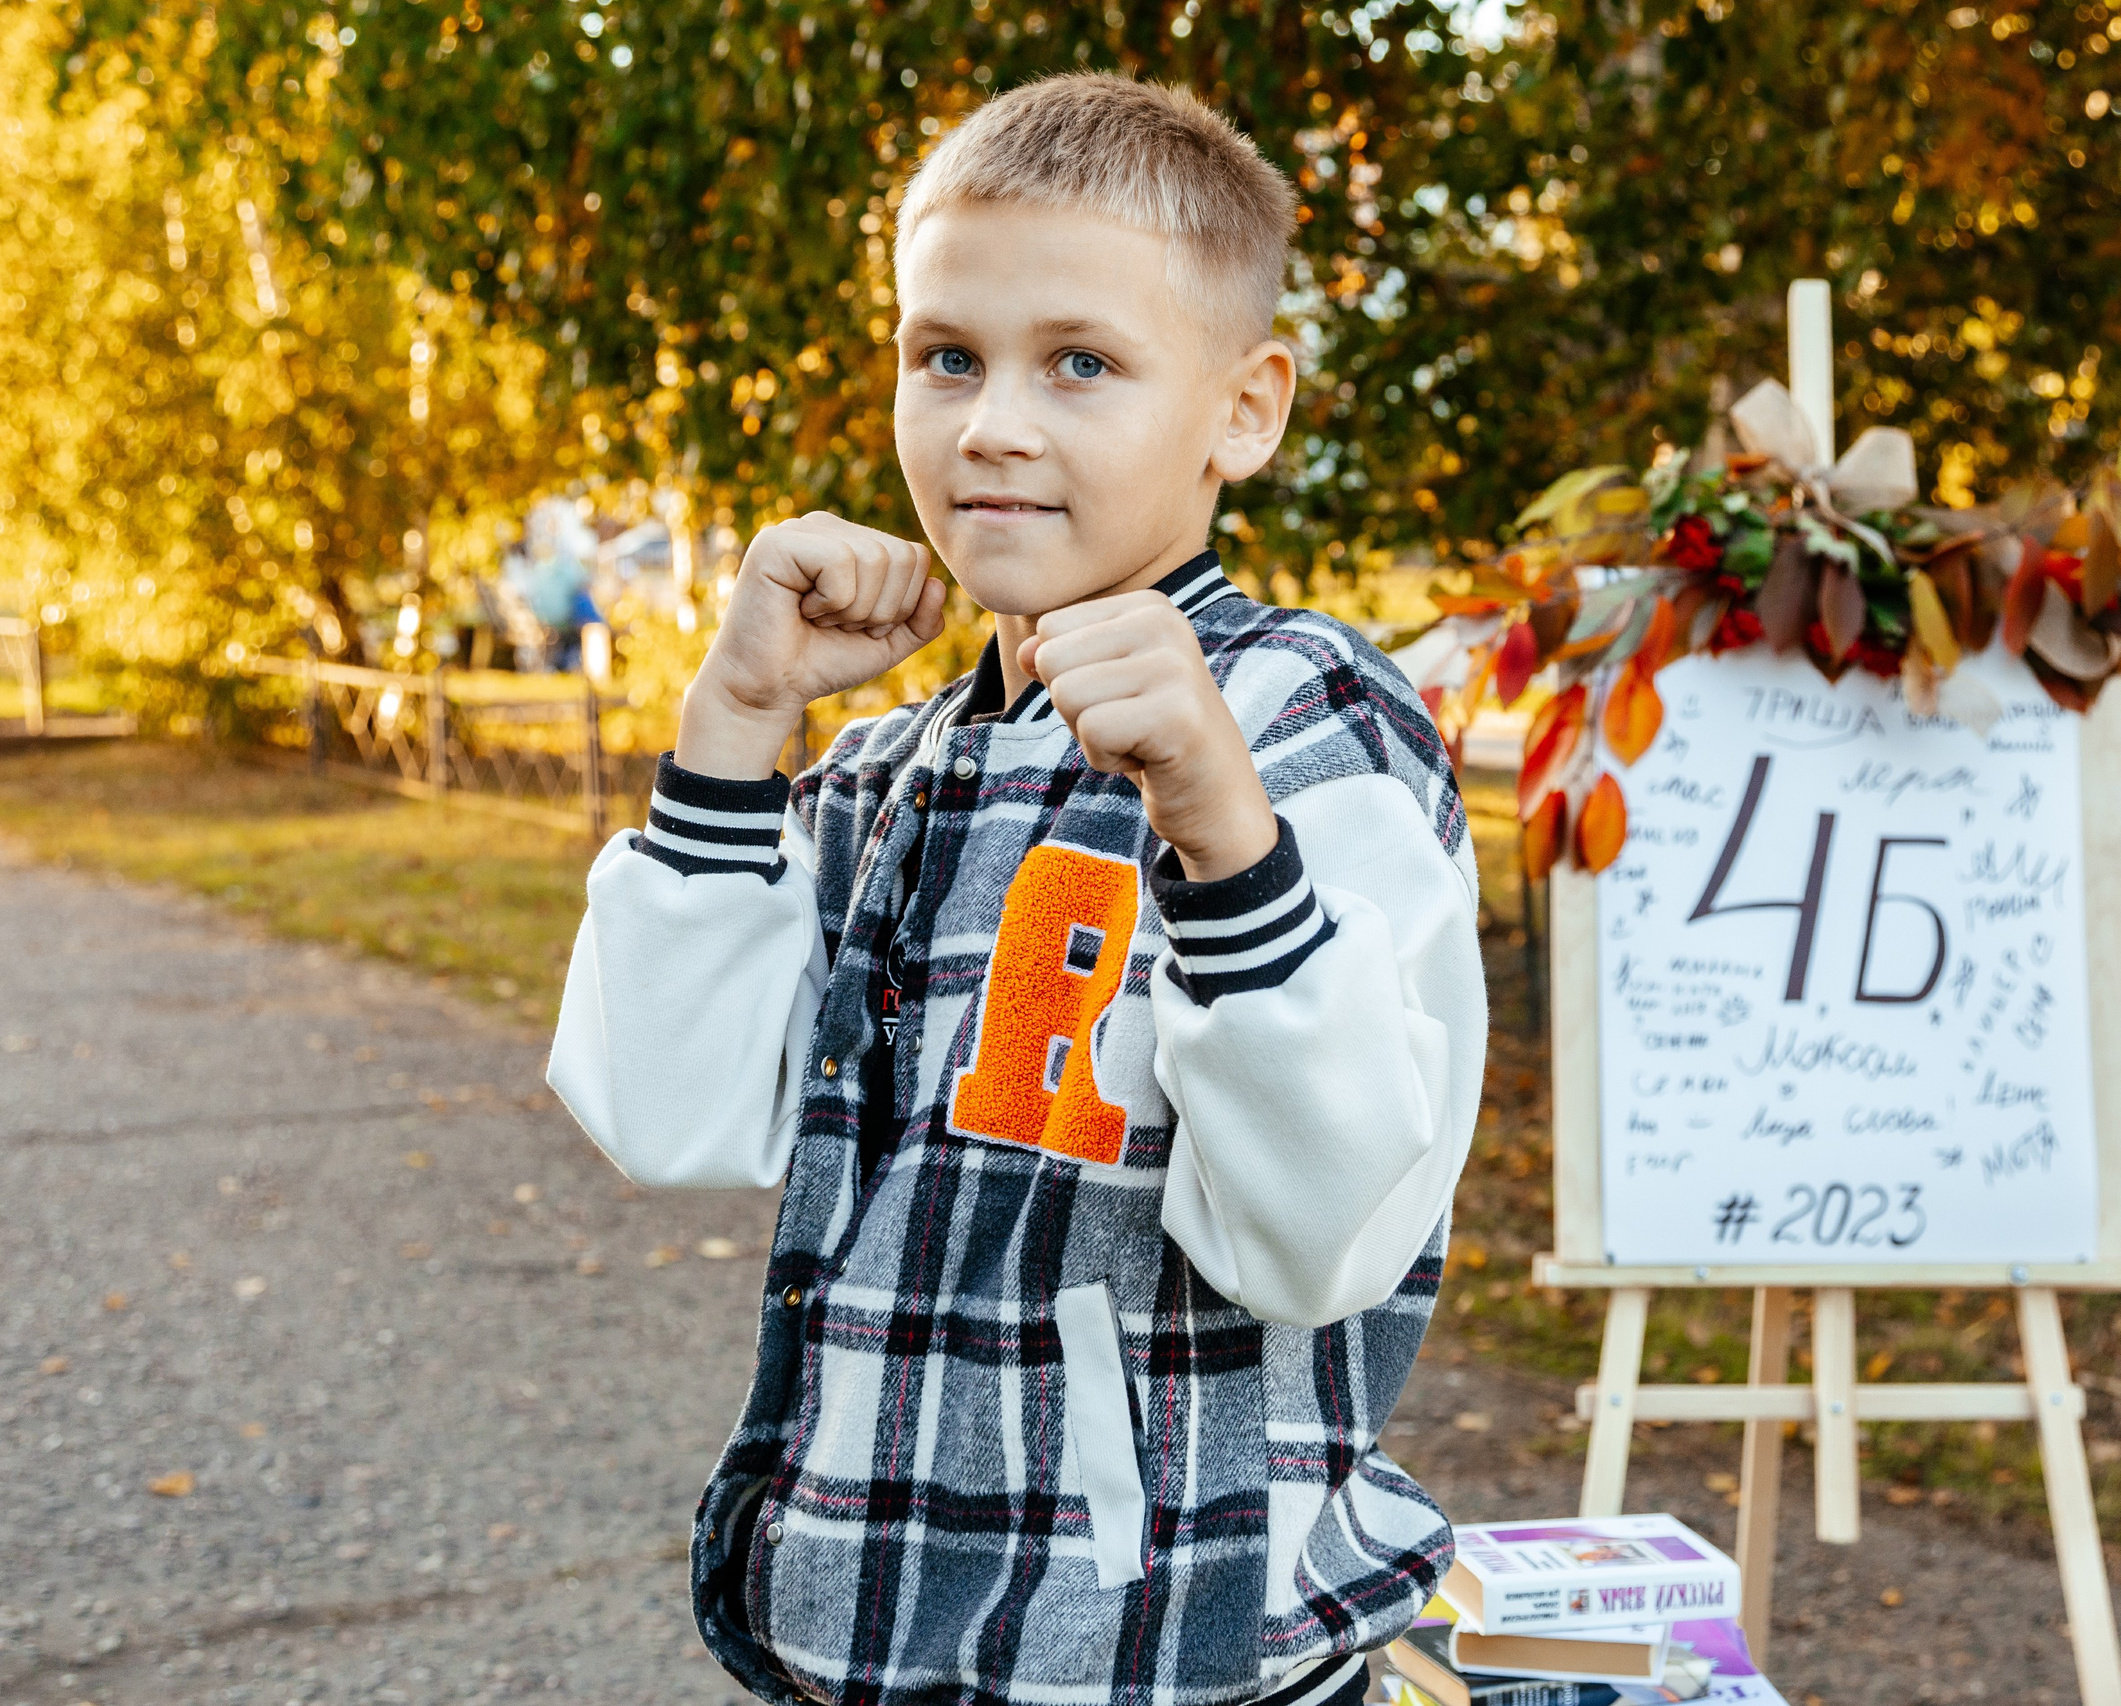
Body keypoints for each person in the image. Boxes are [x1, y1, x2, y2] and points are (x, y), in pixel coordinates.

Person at [546, 74, 1486, 1706]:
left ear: (1242, 412)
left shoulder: (1305, 721)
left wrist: (1215, 822)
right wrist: (735, 736)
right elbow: (669, 1111)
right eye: (947, 356)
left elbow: (1327, 1237)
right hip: (865, 1623)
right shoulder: (887, 768)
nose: (991, 420)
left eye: (1083, 364)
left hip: (1182, 1652)